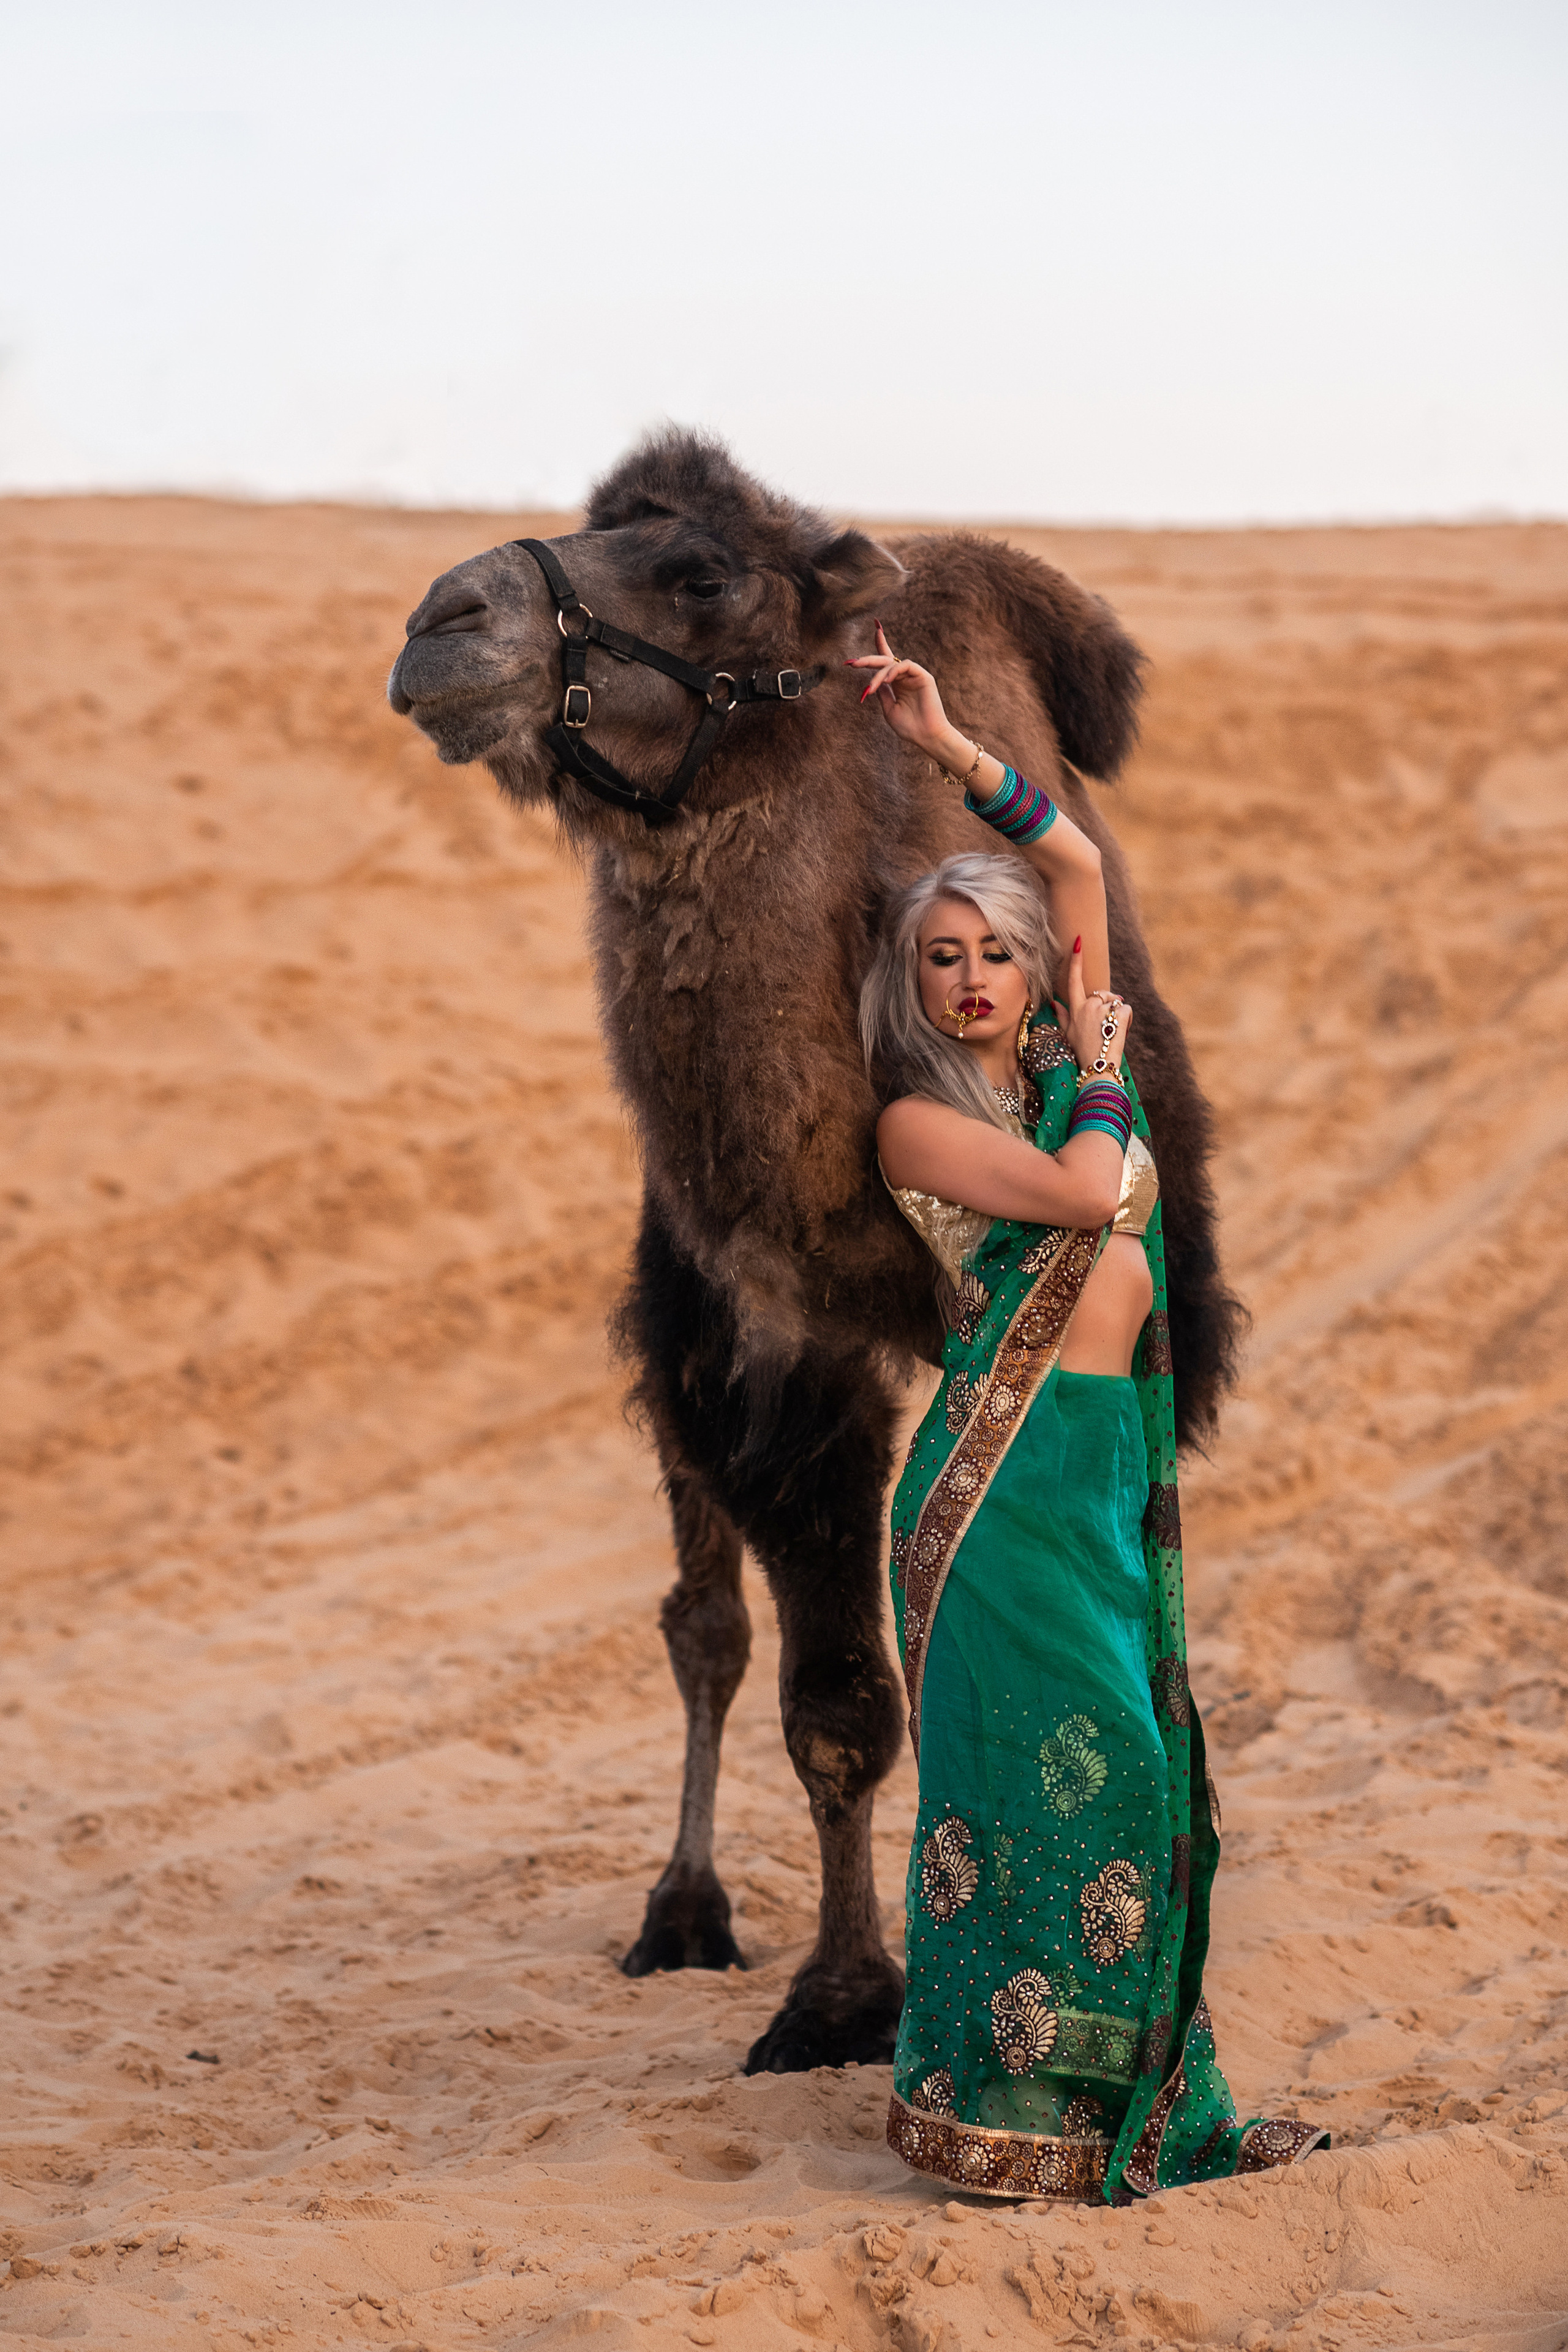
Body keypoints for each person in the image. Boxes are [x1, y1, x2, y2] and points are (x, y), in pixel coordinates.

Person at [851, 625, 1325, 2203]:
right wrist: (1111, 1074)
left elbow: (1072, 873)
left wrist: (944, 750)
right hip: (994, 1493)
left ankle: (1122, 2114)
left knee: (1146, 1785)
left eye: (994, 953)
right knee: (1064, 1782)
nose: (978, 977)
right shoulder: (917, 1124)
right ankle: (1002, 2113)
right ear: (912, 988)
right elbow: (1080, 1193)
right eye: (944, 959)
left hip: (1099, 1470)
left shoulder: (1063, 1039)